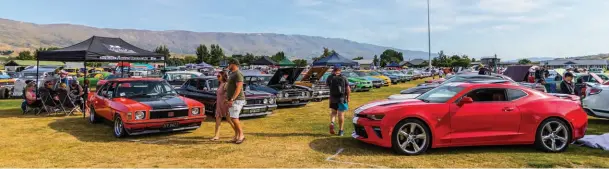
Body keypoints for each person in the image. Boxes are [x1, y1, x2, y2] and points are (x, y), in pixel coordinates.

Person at [225, 59, 247, 144]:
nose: (228, 65)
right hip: (232, 99)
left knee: (234, 118)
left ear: (234, 64)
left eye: (229, 63)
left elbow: (238, 88)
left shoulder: (238, 74)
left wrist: (232, 99)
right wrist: (227, 98)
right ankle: (237, 136)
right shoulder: (232, 74)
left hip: (237, 100)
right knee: (232, 118)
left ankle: (241, 135)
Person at [210, 71, 236, 141]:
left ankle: (238, 132)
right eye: (217, 76)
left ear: (223, 77)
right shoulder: (220, 84)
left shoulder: (226, 84)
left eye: (219, 76)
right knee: (218, 119)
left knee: (229, 120)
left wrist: (228, 100)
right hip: (219, 105)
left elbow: (230, 93)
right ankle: (216, 136)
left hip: (225, 105)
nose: (217, 77)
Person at [326, 65, 351, 136]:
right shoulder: (343, 77)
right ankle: (341, 131)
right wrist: (348, 97)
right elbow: (348, 89)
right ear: (340, 69)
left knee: (333, 112)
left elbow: (327, 85)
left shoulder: (330, 77)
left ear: (333, 69)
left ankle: (332, 123)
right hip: (341, 98)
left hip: (332, 98)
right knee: (341, 114)